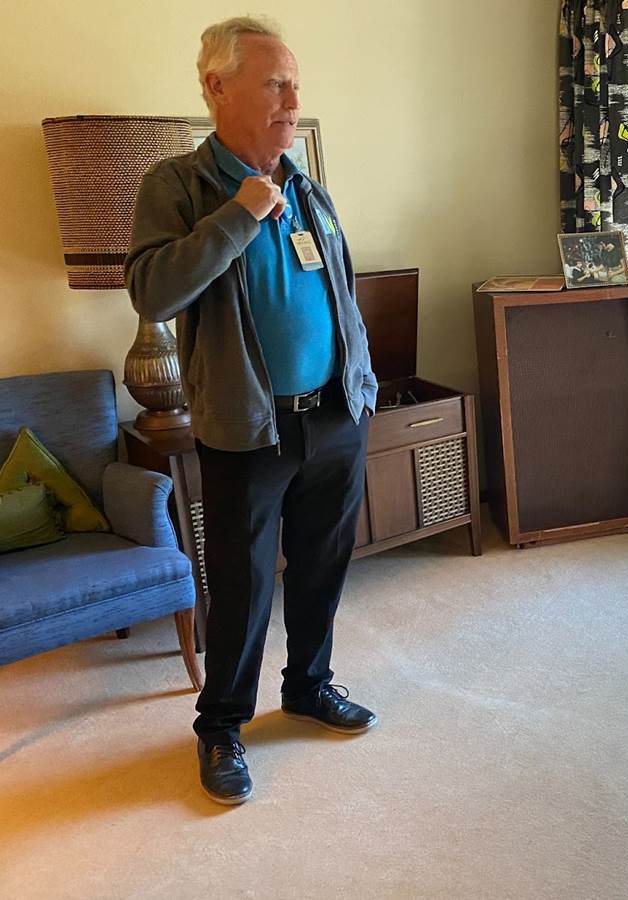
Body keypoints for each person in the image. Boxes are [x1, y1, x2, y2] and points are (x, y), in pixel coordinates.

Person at [125, 16, 379, 806]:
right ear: (217, 87)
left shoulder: (307, 186)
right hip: (248, 428)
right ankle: (222, 725)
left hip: (333, 415)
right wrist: (239, 212)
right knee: (240, 586)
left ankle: (309, 686)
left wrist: (362, 386)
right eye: (275, 84)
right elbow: (153, 292)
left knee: (323, 565)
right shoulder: (178, 186)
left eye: (295, 85)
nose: (293, 101)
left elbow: (339, 293)